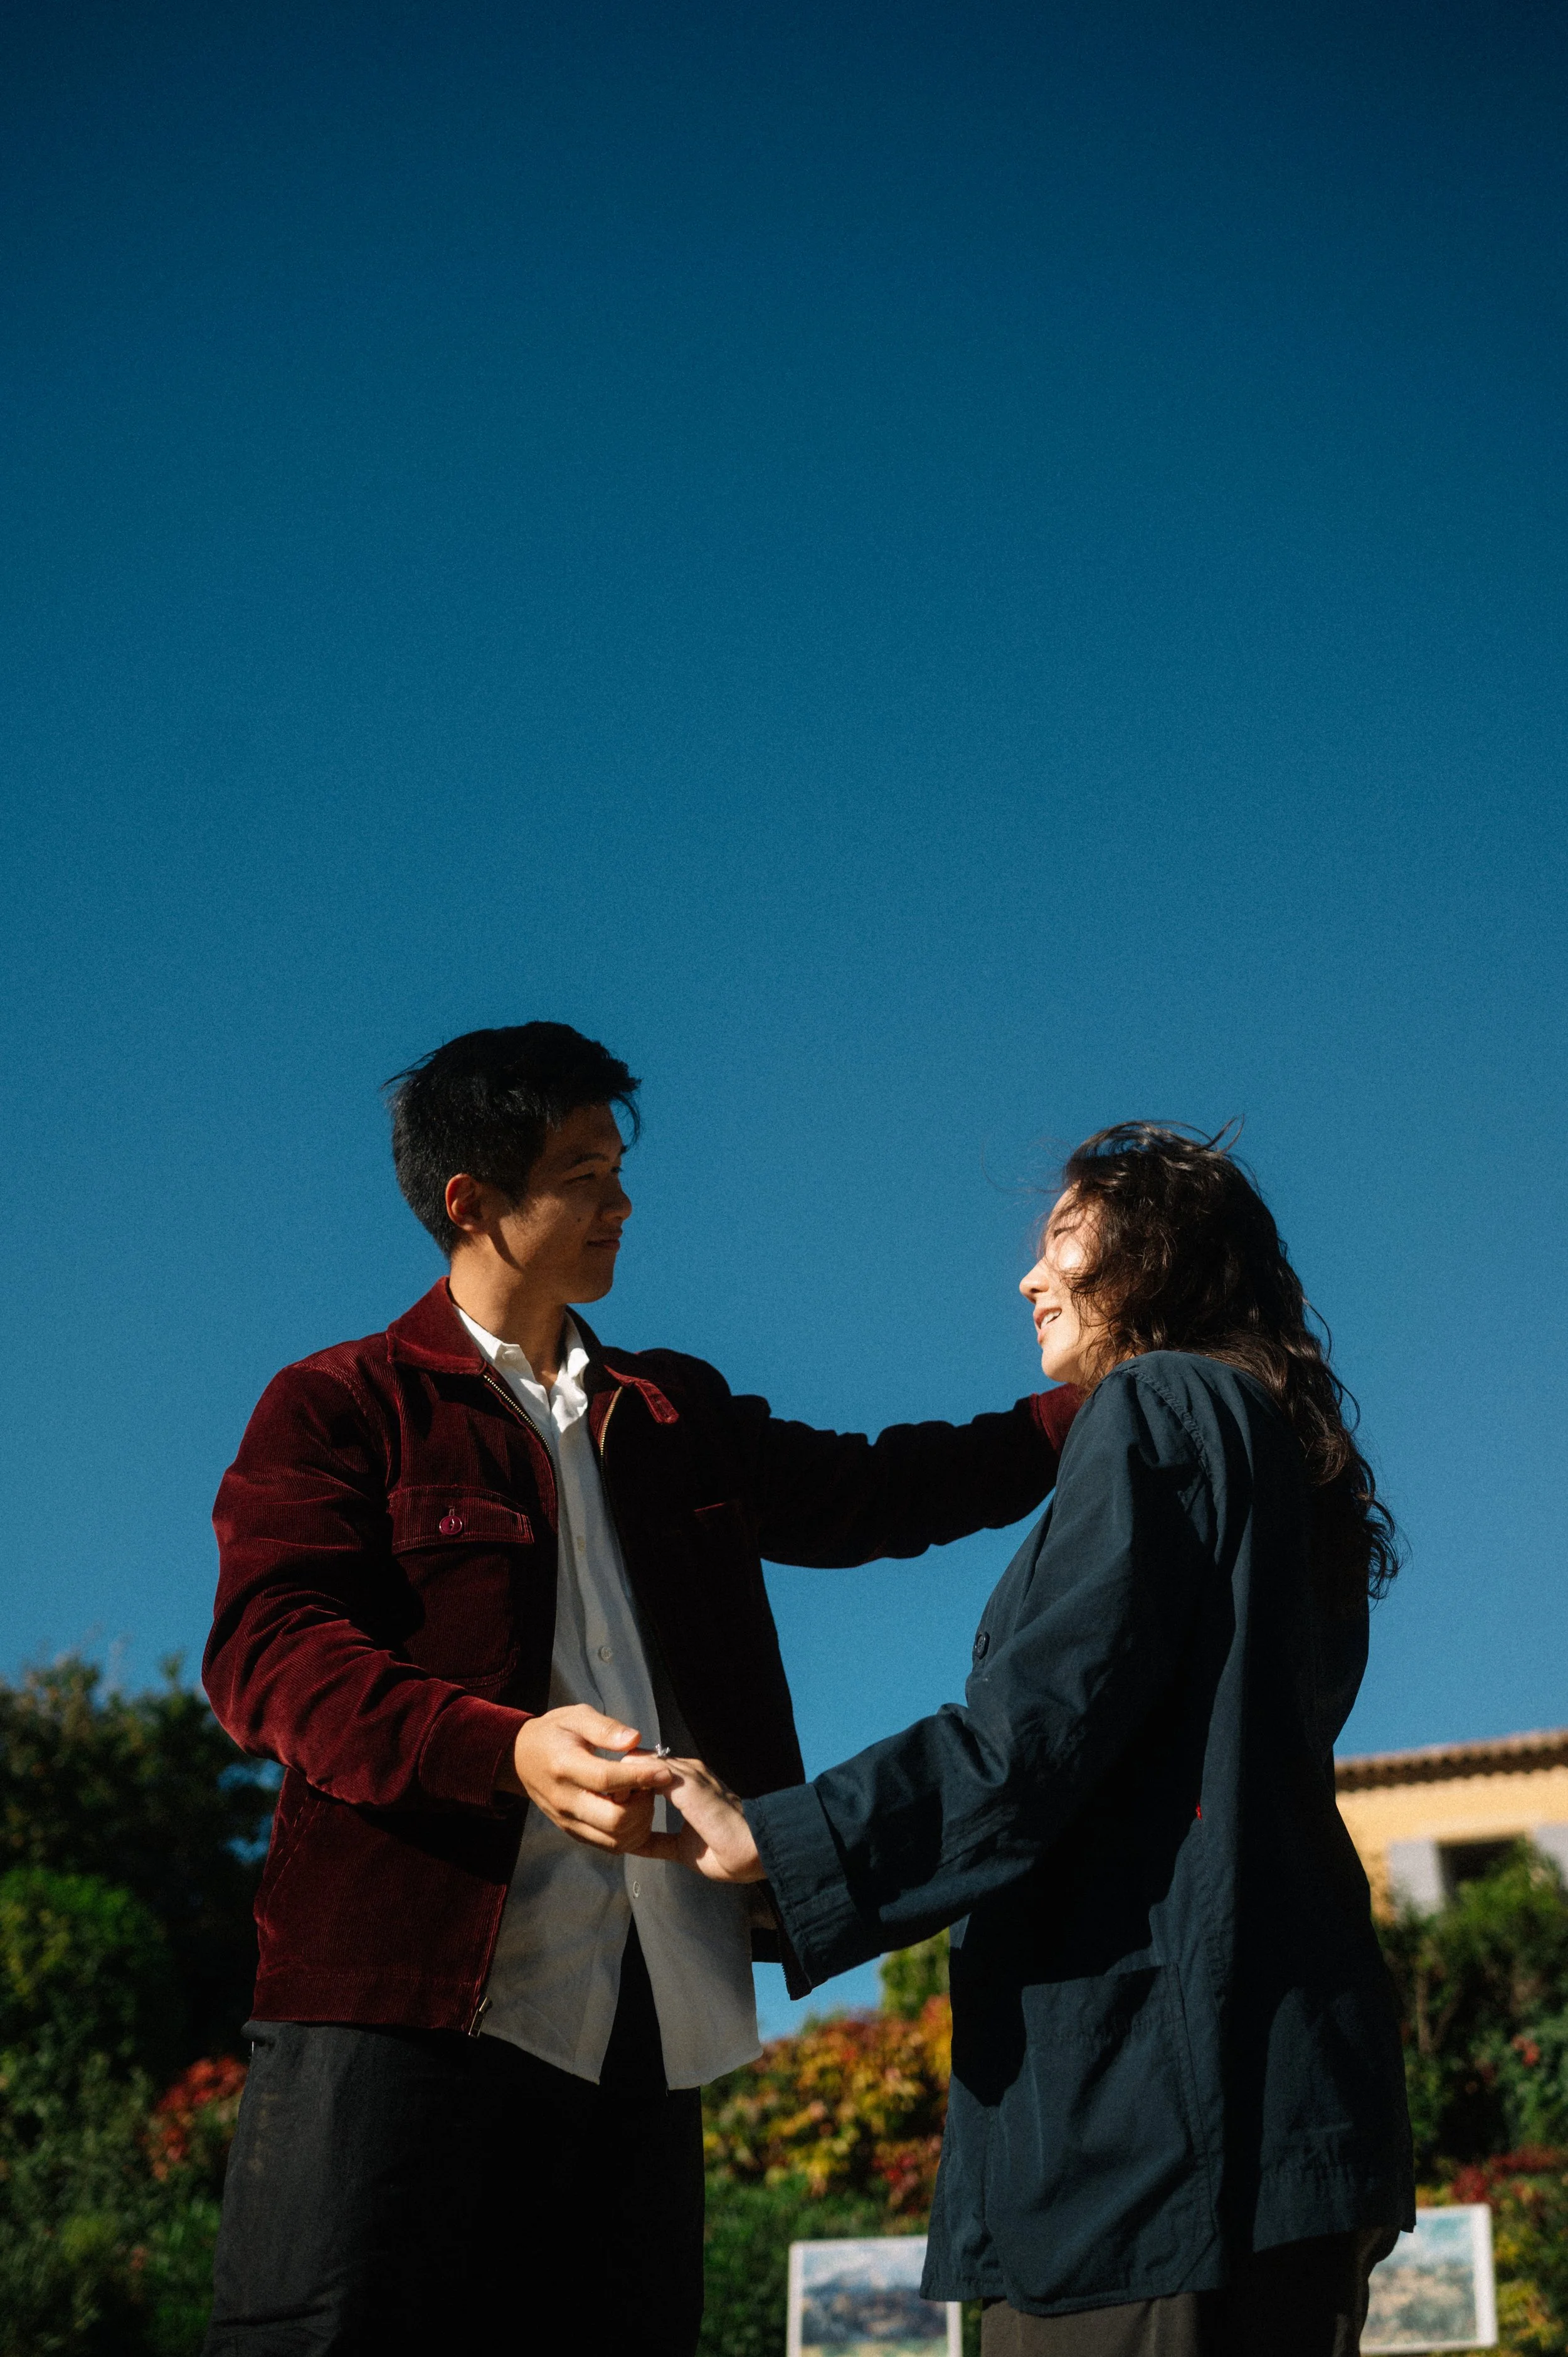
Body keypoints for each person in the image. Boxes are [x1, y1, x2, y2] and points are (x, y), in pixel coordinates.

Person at [198, 1021, 1082, 2357]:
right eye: (581, 1170)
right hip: (395, 2008)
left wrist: (1101, 1408)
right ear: (472, 1201)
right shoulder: (338, 1406)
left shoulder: (676, 1413)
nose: (621, 1200)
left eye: (617, 1164)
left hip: (644, 2009)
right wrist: (504, 1750)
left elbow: (877, 1489)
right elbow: (271, 1654)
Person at [640, 1124, 1415, 2357]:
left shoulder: (1157, 1407)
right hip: (1275, 2117)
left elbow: (1038, 1727)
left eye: (1061, 1236)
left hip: (1152, 2132)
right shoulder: (1280, 1460)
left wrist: (772, 1846)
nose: (1027, 1276)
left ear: (1154, 1252)